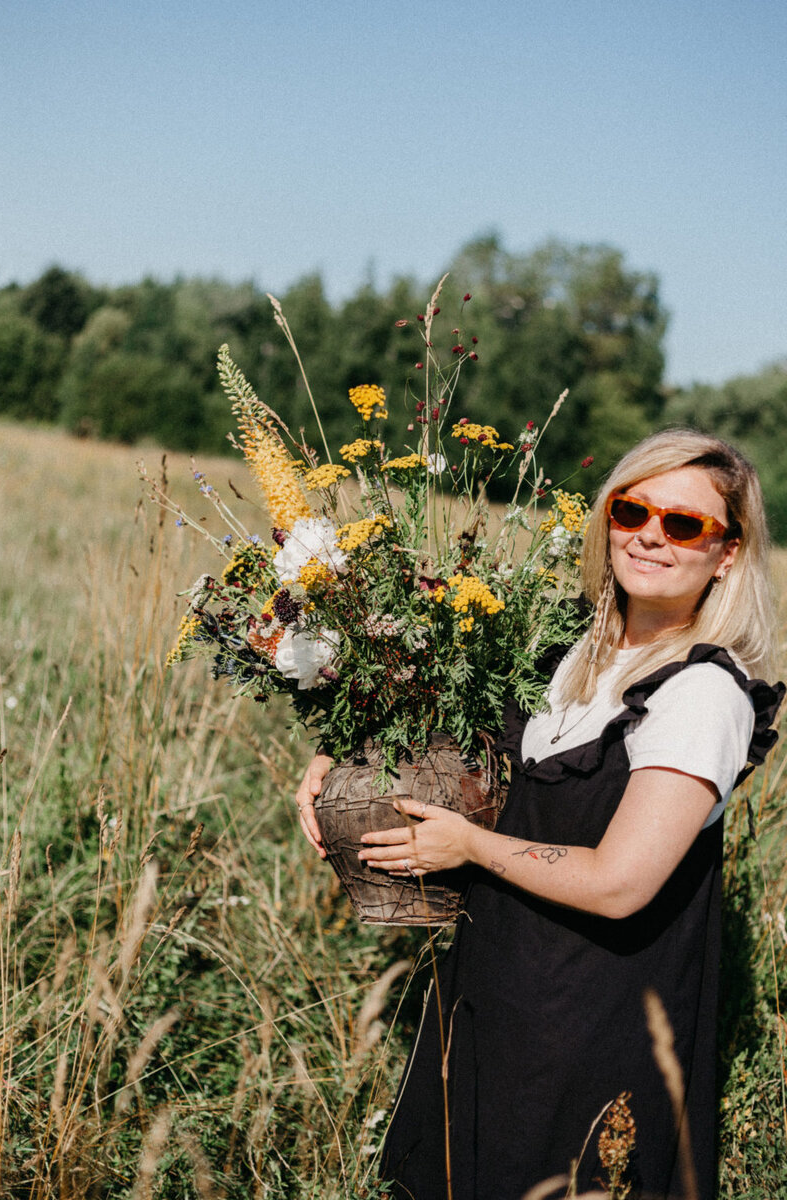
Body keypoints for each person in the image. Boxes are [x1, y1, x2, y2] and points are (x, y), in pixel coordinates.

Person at [295, 430, 784, 1200]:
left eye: (684, 524)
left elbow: (620, 883)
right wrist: (345, 757)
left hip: (593, 1036)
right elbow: (454, 749)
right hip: (491, 1004)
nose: (651, 534)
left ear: (727, 553)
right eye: (632, 510)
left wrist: (470, 846)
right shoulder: (567, 642)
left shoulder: (702, 695)